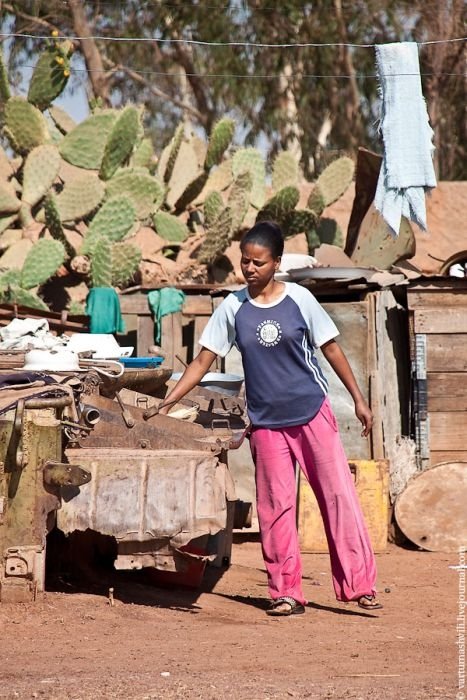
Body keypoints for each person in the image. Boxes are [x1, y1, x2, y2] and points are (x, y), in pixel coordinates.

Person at [159, 220, 383, 616]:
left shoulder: (299, 299)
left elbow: (331, 350)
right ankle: (285, 592)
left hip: (312, 413)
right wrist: (167, 400)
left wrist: (359, 400)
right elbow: (201, 362)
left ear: (276, 262)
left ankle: (359, 584)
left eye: (258, 262)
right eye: (244, 261)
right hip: (265, 423)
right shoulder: (233, 307)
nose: (249, 269)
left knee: (337, 498)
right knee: (275, 507)